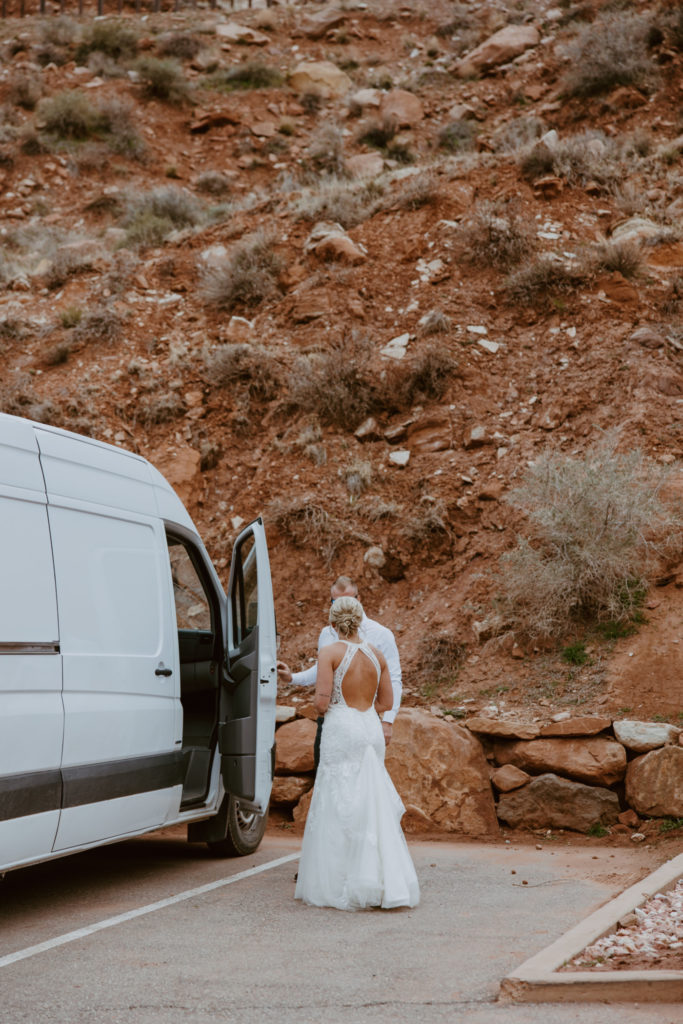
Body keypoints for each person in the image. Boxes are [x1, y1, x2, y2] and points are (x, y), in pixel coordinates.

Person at [294, 596, 419, 911]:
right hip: (369, 727)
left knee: (338, 798)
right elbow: (386, 703)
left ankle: (339, 881)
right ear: (361, 620)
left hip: (342, 727)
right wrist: (365, 710)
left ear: (333, 624)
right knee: (370, 798)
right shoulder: (376, 654)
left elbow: (322, 703)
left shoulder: (330, 652)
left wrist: (327, 706)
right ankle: (378, 880)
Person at [277, 576, 402, 763]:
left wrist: (387, 721)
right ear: (331, 602)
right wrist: (291, 678)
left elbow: (394, 679)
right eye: (337, 601)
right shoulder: (326, 634)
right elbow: (322, 671)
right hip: (333, 722)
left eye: (349, 600)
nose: (344, 605)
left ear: (359, 600)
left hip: (361, 720)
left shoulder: (381, 635)